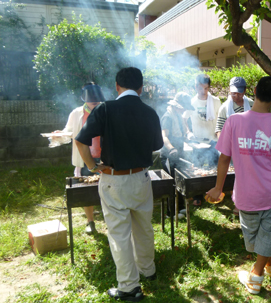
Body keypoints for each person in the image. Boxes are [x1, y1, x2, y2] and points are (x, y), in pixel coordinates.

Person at [75, 67, 163, 302]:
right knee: (144, 227)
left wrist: (93, 167)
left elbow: (80, 141)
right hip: (142, 178)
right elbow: (157, 146)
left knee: (119, 235)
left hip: (114, 180)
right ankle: (148, 270)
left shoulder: (105, 108)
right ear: (141, 88)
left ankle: (128, 287)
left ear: (117, 86)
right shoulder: (150, 112)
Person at [206, 76, 271, 295]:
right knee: (260, 238)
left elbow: (224, 158)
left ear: (253, 91)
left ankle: (255, 277)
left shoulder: (233, 122)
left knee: (258, 237)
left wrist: (218, 188)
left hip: (246, 195)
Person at [54, 82, 105, 235]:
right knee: (85, 191)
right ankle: (90, 222)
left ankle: (111, 220)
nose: (94, 100)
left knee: (109, 189)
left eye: (96, 96)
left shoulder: (107, 110)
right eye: (90, 97)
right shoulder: (76, 113)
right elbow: (68, 132)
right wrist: (59, 135)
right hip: (84, 158)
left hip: (106, 157)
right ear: (84, 98)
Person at [215, 76, 254, 215]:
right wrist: (225, 146)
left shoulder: (251, 104)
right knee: (236, 175)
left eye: (238, 92)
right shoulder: (225, 107)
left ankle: (244, 202)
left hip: (249, 147)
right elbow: (219, 129)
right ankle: (237, 203)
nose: (235, 95)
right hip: (231, 148)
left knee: (245, 175)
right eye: (232, 92)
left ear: (244, 91)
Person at [185, 74, 222, 206]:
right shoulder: (191, 102)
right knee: (198, 169)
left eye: (206, 88)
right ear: (196, 87)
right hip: (198, 141)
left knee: (214, 169)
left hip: (213, 140)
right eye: (201, 88)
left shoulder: (216, 101)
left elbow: (221, 120)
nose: (204, 92)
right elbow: (184, 119)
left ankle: (216, 194)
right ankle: (197, 197)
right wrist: (188, 132)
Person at [160, 92, 195, 218]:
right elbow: (164, 136)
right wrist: (171, 148)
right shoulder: (168, 117)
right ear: (177, 105)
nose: (185, 109)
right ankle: (171, 212)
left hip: (179, 152)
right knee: (172, 183)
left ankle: (180, 208)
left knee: (181, 181)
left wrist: (189, 137)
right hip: (169, 154)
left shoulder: (179, 115)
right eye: (183, 107)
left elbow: (183, 132)